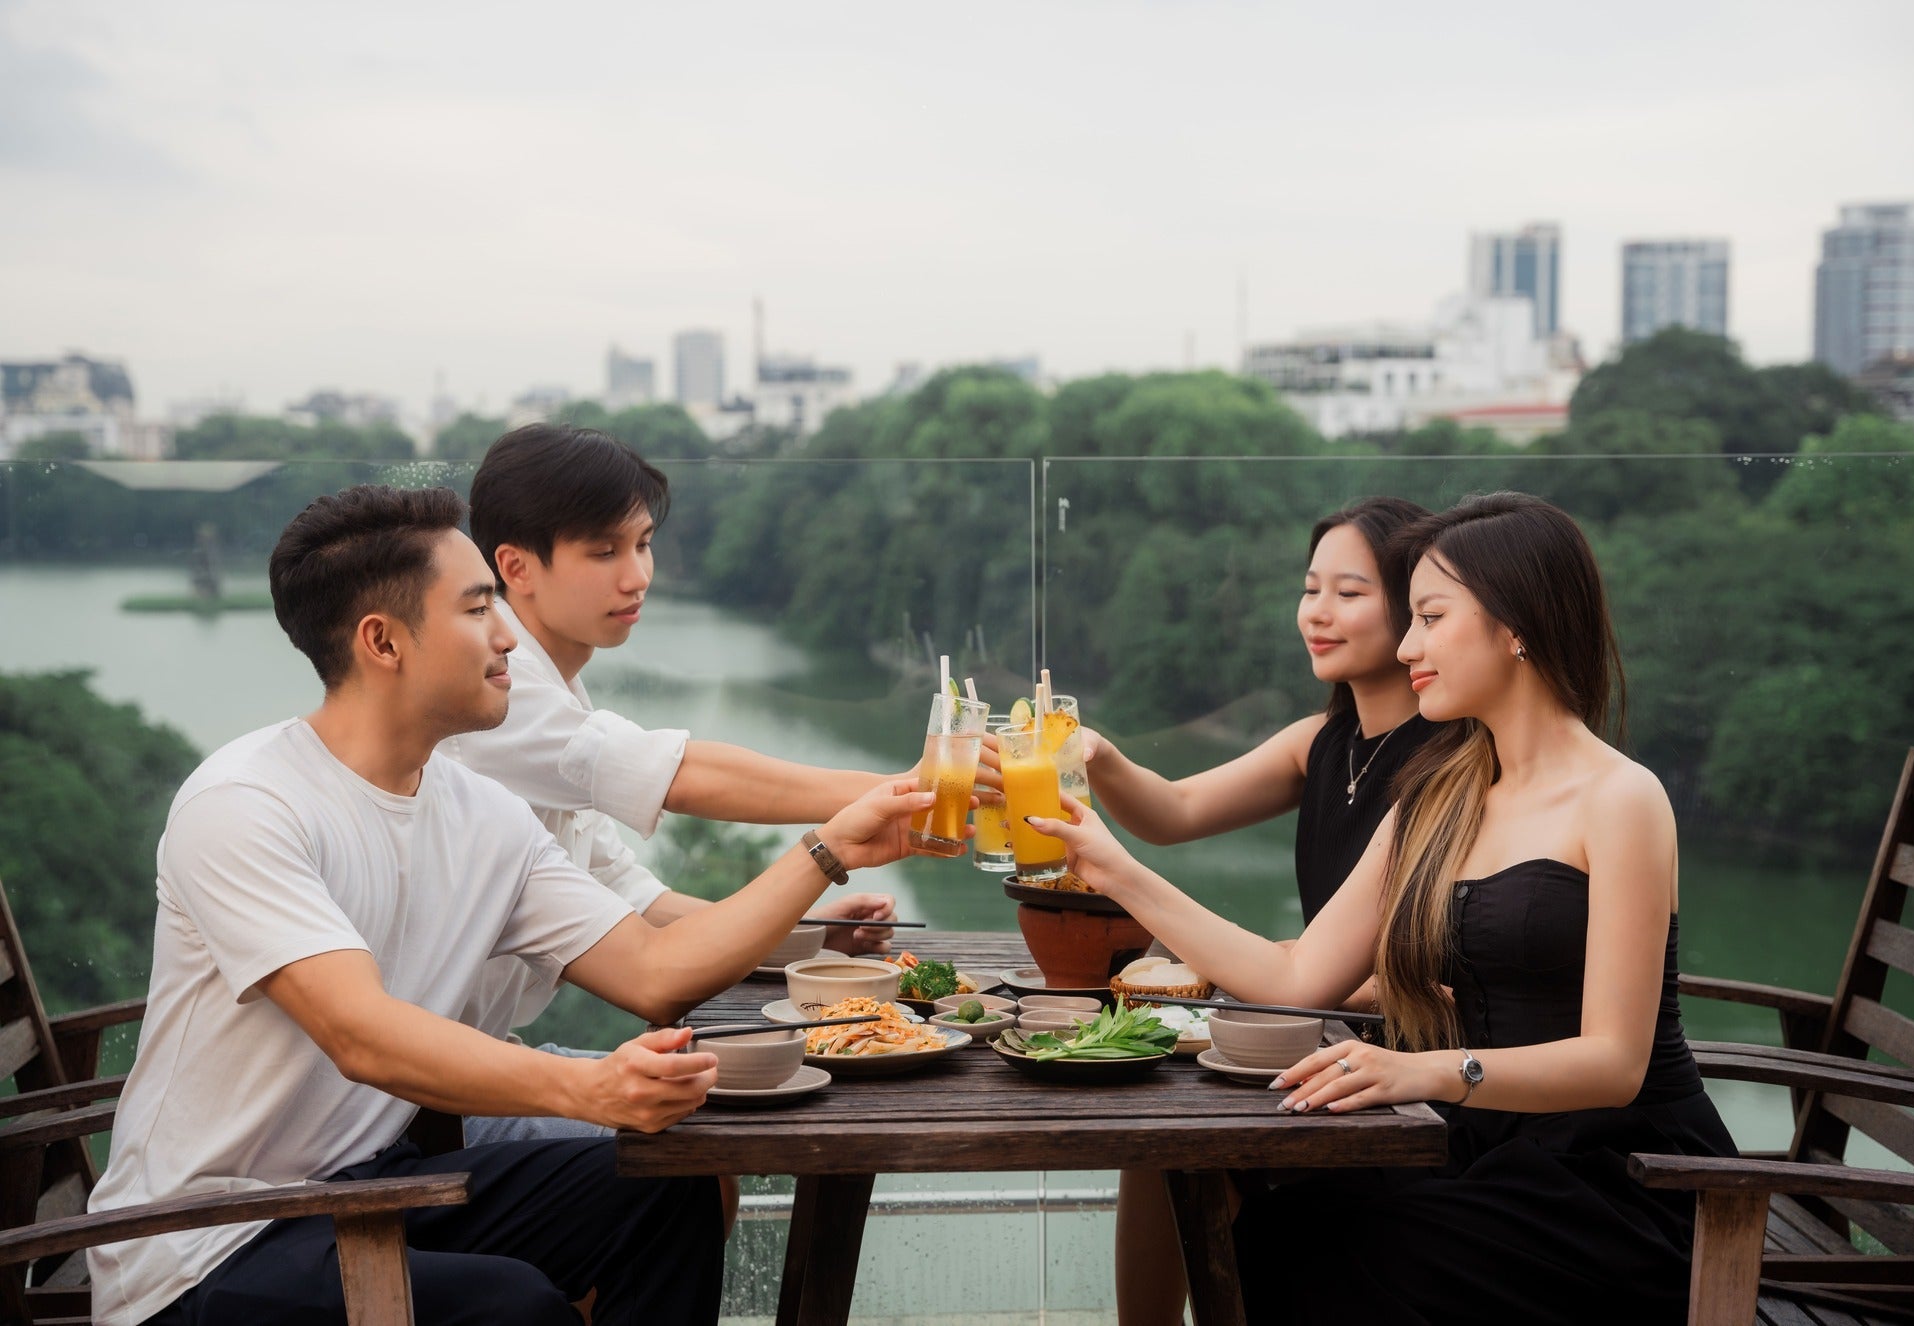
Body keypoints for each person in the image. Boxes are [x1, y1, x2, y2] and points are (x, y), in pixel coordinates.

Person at [88, 485, 933, 1326]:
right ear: (382, 641)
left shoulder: (479, 812)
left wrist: (828, 850)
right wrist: (589, 1089)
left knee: (665, 1193)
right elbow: (360, 1034)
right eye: (476, 608)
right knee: (511, 1310)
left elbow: (654, 969)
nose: (506, 636)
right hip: (209, 1241)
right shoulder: (247, 804)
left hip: (366, 1186)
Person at [1032, 492, 1736, 1326]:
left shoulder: (1621, 797)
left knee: (1344, 1255)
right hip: (1479, 1143)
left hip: (1622, 1177)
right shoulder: (1437, 797)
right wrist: (1116, 873)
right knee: (1269, 1221)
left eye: (1430, 618)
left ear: (1517, 625)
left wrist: (1428, 1071)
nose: (1408, 646)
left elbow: (1616, 1063)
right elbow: (1296, 975)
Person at [440, 424, 919, 1142]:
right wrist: (904, 791)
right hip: (425, 1098)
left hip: (483, 1060)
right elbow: (680, 774)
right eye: (604, 551)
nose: (637, 576)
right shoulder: (501, 694)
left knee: (700, 1113)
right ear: (517, 566)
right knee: (697, 1132)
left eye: (643, 544)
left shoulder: (554, 693)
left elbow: (636, 899)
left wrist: (805, 938)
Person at [1090, 496, 1442, 1326]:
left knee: (1185, 1146)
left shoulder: (1450, 765)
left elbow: (1434, 979)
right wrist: (1098, 756)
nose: (1317, 613)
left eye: (1349, 593)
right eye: (1310, 589)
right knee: (1157, 1141)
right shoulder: (1320, 742)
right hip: (1312, 1025)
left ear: (1416, 611)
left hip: (1404, 1060)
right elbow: (1173, 811)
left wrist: (1268, 970)